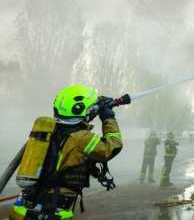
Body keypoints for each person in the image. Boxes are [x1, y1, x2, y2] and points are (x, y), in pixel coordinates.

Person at [10, 85, 123, 219]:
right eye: (91, 108)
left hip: (30, 204)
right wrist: (108, 118)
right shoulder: (81, 138)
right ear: (81, 110)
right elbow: (113, 146)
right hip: (52, 209)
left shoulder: (50, 130)